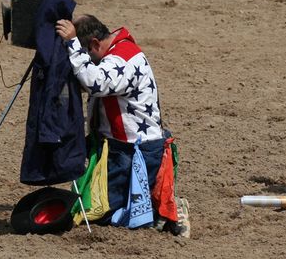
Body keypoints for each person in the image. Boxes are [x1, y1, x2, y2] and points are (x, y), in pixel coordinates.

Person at [56, 14, 189, 236]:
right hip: (121, 148)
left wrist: (72, 43)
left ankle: (170, 210)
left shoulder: (121, 60)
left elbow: (95, 82)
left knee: (102, 212)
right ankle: (155, 214)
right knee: (99, 208)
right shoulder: (118, 51)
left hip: (137, 151)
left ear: (95, 44)